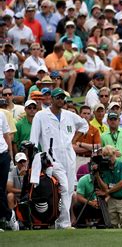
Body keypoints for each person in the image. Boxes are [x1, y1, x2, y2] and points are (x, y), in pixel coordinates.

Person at [30, 88, 89, 229]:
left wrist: (74, 140)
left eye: (63, 98)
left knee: (68, 190)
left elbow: (84, 125)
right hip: (52, 158)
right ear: (51, 99)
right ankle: (63, 222)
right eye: (58, 98)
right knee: (62, 186)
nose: (61, 100)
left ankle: (61, 222)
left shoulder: (69, 115)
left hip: (69, 157)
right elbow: (33, 140)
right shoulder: (41, 116)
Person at [94, 144, 122, 229]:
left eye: (110, 156)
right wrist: (97, 176)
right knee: (113, 226)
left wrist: (107, 192)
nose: (108, 158)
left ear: (115, 154)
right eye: (106, 156)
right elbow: (105, 187)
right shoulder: (105, 168)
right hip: (112, 200)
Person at [73, 105, 101, 172]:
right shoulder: (74, 129)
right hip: (76, 158)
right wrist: (90, 148)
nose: (86, 116)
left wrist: (81, 144)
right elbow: (72, 147)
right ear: (80, 114)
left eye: (88, 114)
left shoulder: (95, 130)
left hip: (90, 158)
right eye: (84, 113)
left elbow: (97, 147)